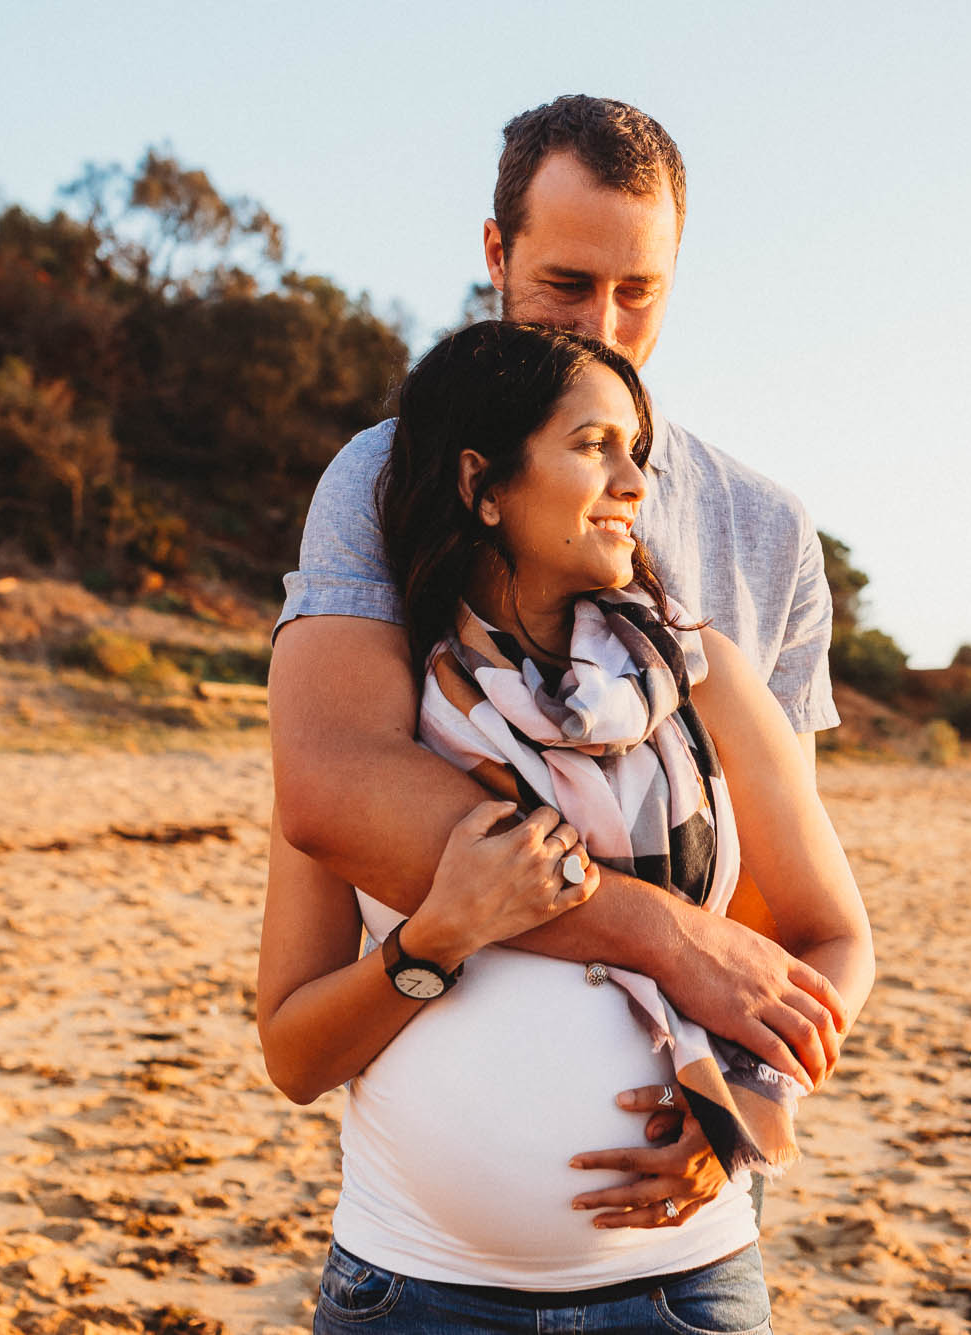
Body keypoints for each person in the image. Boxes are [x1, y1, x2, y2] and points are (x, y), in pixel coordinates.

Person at [267, 97, 847, 1234]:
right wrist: (651, 928)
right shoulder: (386, 479)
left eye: (641, 292)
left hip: (681, 1258)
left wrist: (744, 1111)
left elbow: (780, 904)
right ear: (496, 252)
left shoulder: (761, 533)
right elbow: (334, 792)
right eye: (569, 285)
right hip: (417, 1256)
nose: (607, 327)